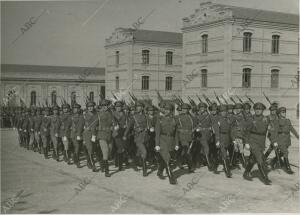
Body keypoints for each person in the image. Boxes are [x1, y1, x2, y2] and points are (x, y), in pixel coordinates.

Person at [243, 102, 278, 185]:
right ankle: (265, 178)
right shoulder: (251, 119)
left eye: (260, 109)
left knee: (253, 158)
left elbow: (271, 132)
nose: (258, 111)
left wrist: (274, 141)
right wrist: (247, 142)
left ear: (262, 110)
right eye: (256, 109)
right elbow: (246, 132)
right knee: (259, 158)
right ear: (254, 110)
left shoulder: (266, 119)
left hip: (261, 142)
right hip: (253, 140)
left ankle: (246, 173)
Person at [124, 101, 149, 176]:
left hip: (145, 137)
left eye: (140, 107)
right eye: (137, 107)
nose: (138, 108)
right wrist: (125, 135)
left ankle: (136, 161)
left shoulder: (146, 116)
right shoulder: (133, 117)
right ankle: (145, 170)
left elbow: (150, 124)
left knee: (139, 152)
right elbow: (128, 127)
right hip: (138, 137)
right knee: (144, 152)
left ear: (142, 108)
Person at [155, 102, 177, 184]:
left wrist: (177, 143)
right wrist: (157, 144)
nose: (167, 111)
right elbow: (157, 133)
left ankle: (160, 171)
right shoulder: (160, 119)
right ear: (164, 110)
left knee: (166, 158)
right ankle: (171, 177)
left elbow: (176, 133)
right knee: (167, 158)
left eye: (169, 110)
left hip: (171, 141)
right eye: (166, 109)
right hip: (162, 140)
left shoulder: (174, 119)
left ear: (171, 111)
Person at [273, 107, 299, 174]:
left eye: (285, 112)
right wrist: (275, 141)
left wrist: (297, 136)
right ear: (279, 114)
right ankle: (288, 169)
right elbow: (275, 132)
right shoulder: (277, 121)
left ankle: (272, 162)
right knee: (285, 152)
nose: (284, 113)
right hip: (280, 139)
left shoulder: (288, 120)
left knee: (282, 153)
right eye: (282, 112)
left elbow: (292, 129)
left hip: (287, 140)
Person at [93, 99, 114, 175]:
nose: (104, 107)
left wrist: (114, 127)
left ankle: (102, 164)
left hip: (109, 135)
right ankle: (107, 171)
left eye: (106, 105)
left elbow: (113, 123)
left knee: (110, 151)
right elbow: (94, 125)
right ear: (100, 106)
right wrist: (93, 135)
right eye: (103, 105)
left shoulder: (111, 113)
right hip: (101, 135)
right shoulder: (98, 114)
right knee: (105, 152)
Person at [175, 103, 196, 173]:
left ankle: (179, 161)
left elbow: (195, 125)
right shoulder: (178, 117)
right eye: (183, 109)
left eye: (186, 109)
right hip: (182, 136)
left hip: (190, 136)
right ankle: (190, 167)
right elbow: (175, 127)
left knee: (184, 151)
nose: (185, 110)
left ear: (188, 110)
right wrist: (180, 130)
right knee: (187, 150)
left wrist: (194, 129)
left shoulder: (191, 117)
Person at [212, 104, 232, 178]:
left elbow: (230, 130)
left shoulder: (228, 119)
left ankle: (214, 167)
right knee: (224, 154)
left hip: (227, 138)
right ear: (219, 112)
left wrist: (232, 139)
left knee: (220, 154)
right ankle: (228, 171)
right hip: (220, 137)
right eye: (222, 111)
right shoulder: (217, 119)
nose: (224, 112)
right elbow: (216, 131)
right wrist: (217, 141)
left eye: (225, 111)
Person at [84, 100, 99, 172]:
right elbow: (81, 125)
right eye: (89, 107)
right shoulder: (84, 115)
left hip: (95, 133)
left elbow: (99, 124)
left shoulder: (97, 114)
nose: (90, 108)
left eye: (92, 106)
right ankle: (93, 165)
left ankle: (88, 161)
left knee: (93, 149)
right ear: (87, 108)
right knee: (90, 149)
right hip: (87, 134)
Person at [70, 103, 84, 168]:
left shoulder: (81, 117)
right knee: (77, 147)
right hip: (74, 134)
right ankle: (77, 161)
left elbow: (81, 126)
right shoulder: (71, 116)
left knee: (79, 147)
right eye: (74, 108)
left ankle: (74, 157)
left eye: (77, 108)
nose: (76, 110)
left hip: (80, 134)